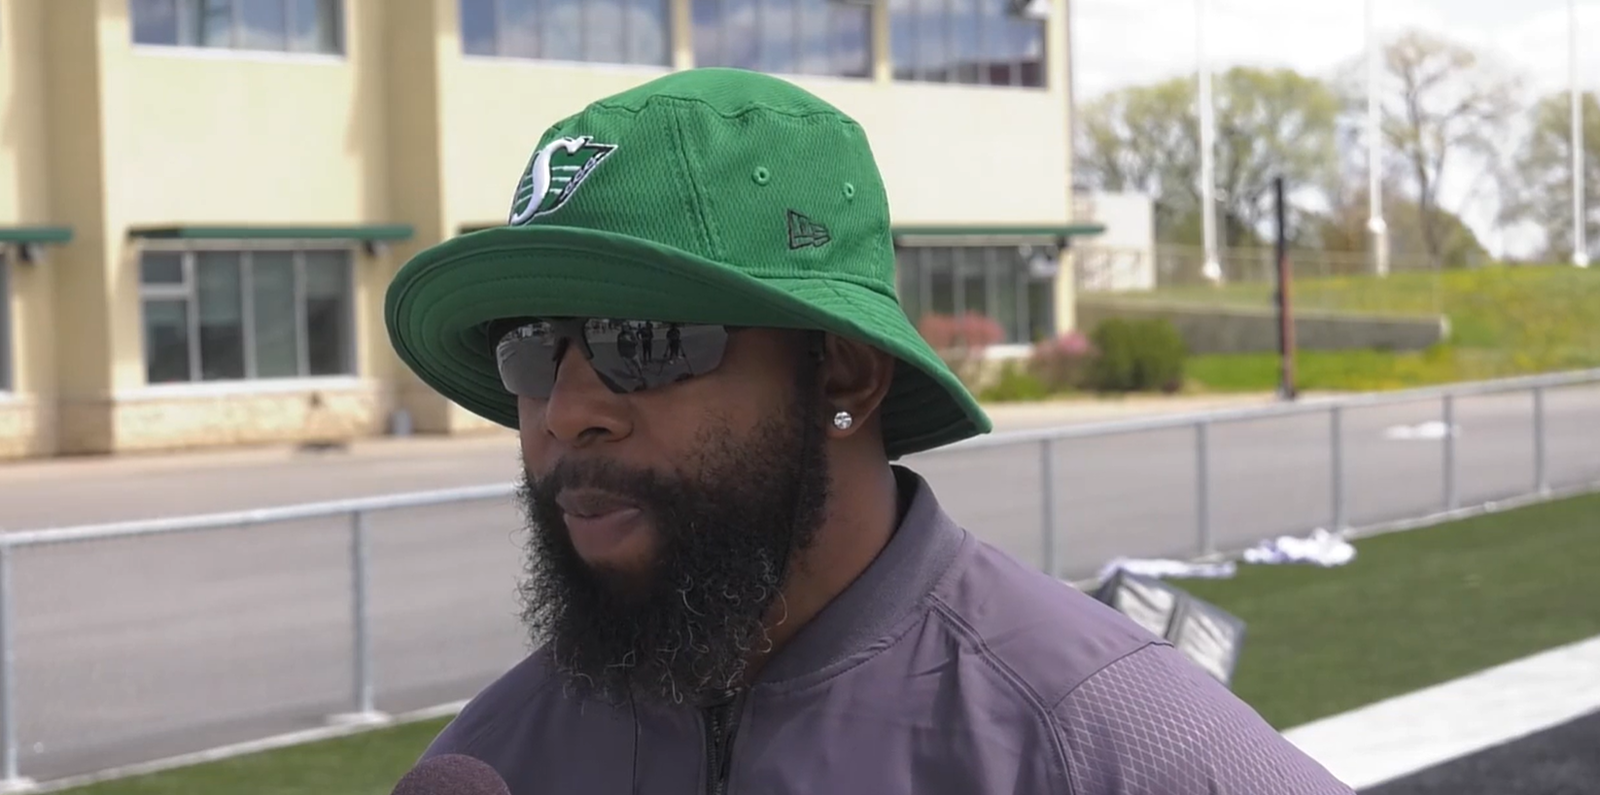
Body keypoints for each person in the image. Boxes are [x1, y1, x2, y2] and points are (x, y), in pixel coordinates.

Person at [384, 68, 1354, 795]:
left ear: (843, 373)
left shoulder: (1103, 740)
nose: (566, 410)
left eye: (643, 340)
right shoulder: (498, 759)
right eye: (532, 349)